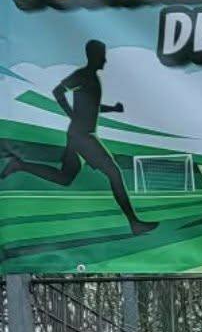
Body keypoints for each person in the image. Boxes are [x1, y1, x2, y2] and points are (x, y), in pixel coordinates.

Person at [1, 39, 157, 235]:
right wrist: (71, 114)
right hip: (83, 137)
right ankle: (134, 223)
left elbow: (91, 107)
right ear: (94, 56)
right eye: (102, 55)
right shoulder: (83, 75)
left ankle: (20, 165)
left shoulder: (91, 77)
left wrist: (112, 109)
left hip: (79, 135)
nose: (105, 60)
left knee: (65, 177)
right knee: (114, 173)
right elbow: (58, 91)